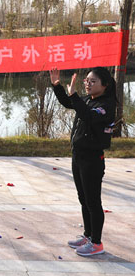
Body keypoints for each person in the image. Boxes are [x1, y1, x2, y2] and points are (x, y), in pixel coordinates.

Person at [50, 67, 117, 257]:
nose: (88, 84)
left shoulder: (106, 105)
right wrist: (57, 86)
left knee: (93, 201)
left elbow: (88, 116)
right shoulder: (88, 100)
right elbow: (68, 103)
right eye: (86, 80)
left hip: (92, 159)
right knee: (83, 199)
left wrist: (75, 95)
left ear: (105, 85)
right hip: (78, 156)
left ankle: (96, 243)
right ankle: (88, 236)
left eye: (92, 81)